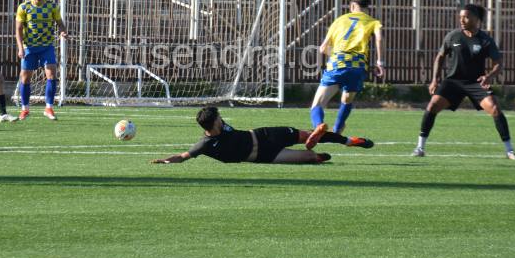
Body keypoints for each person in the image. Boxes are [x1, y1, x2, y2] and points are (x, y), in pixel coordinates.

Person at [411, 3, 515, 160]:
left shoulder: (485, 40)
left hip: (476, 82)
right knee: (432, 106)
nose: (462, 20)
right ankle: (420, 148)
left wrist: (489, 76)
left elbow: (499, 63)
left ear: (476, 19)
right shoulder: (453, 36)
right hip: (453, 82)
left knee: (495, 108)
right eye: (460, 17)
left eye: (466, 17)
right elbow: (440, 57)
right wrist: (435, 79)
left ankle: (510, 151)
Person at [150, 106, 374, 165]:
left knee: (307, 136)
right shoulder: (205, 144)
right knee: (310, 157)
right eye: (218, 117)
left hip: (266, 134)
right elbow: (183, 156)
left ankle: (349, 141)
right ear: (213, 123)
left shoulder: (221, 124)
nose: (221, 118)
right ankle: (315, 153)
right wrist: (165, 161)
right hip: (264, 156)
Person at [309, 0, 384, 135]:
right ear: (367, 6)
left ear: (353, 5)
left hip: (337, 63)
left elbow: (323, 48)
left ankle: (319, 125)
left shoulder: (339, 20)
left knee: (317, 104)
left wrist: (339, 56)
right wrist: (380, 62)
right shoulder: (373, 22)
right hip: (358, 66)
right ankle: (338, 128)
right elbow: (379, 39)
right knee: (347, 99)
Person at [15, 0, 68, 121]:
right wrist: (20, 48)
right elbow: (18, 30)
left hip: (47, 47)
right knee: (25, 78)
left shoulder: (52, 7)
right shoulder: (23, 7)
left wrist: (63, 31)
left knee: (52, 75)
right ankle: (25, 109)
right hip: (29, 47)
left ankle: (48, 108)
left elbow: (60, 23)